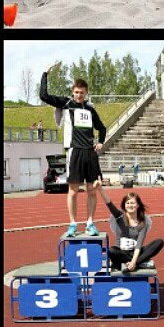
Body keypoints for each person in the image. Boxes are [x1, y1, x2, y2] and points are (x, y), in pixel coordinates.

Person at [39, 63, 107, 237]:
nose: (79, 95)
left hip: (90, 153)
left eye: (82, 93)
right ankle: (72, 224)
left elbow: (102, 128)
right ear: (72, 92)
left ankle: (90, 223)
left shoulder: (90, 109)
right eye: (76, 92)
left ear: (86, 93)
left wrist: (100, 142)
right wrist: (45, 73)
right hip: (74, 151)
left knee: (92, 190)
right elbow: (44, 95)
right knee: (73, 191)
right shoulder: (66, 103)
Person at [93, 180, 164, 271]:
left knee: (159, 242)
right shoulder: (119, 217)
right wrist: (100, 188)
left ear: (138, 205)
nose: (130, 205)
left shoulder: (143, 222)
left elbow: (139, 245)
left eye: (133, 203)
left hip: (135, 253)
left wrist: (134, 262)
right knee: (111, 250)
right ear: (124, 205)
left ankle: (134, 264)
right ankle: (139, 263)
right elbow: (109, 203)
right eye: (128, 203)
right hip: (121, 253)